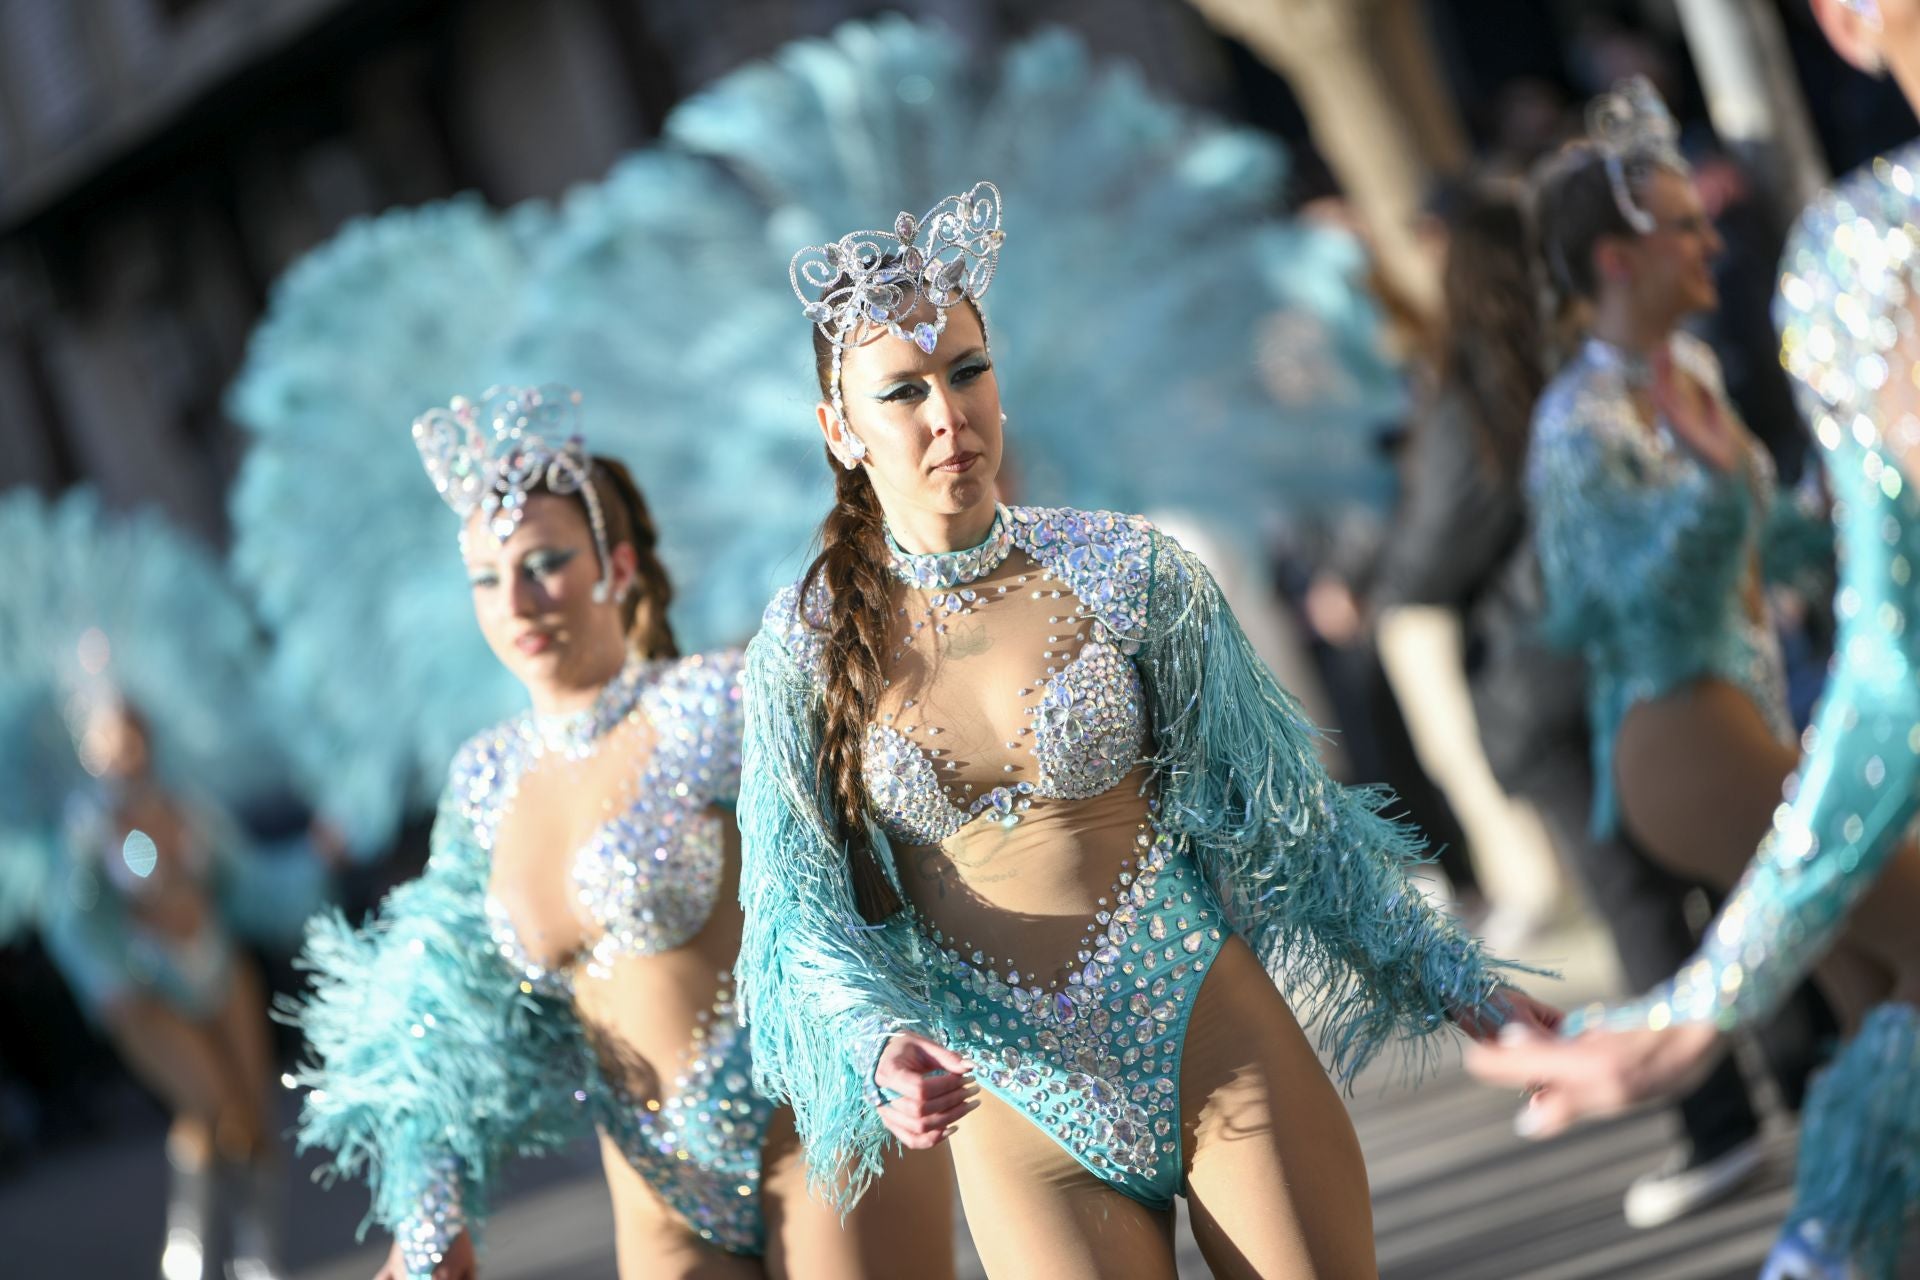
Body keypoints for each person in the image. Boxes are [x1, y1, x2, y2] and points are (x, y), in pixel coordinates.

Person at [734, 182, 1555, 1278]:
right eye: (903, 391)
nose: (948, 415)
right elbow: (791, 910)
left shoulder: (1131, 571)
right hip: (1020, 1109)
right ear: (841, 429)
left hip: (1213, 1042)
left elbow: (1287, 821)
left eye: (968, 371)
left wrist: (1452, 976)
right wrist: (879, 1040)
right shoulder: (804, 647)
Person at [288, 386, 953, 1280]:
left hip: (817, 1127)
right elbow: (436, 1015)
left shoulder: (711, 704)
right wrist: (432, 1214)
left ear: (620, 568)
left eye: (544, 563)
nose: (516, 601)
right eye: (487, 577)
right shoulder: (485, 781)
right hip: (655, 1192)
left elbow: (846, 868)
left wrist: (884, 1035)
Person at [1465, 57, 1920, 1278]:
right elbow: (1608, 602)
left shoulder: (1701, 379)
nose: (1710, 244)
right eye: (1682, 229)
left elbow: (1770, 546)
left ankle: (1836, 1239)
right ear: (1619, 262)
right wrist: (1716, 498)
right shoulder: (1581, 423)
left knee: (1884, 990)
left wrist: (1849, 517)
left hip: (1755, 712)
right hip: (1675, 732)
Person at [1372, 181, 1829, 1227]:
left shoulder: (1520, 386)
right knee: (1738, 876)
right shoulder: (1586, 386)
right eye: (1678, 224)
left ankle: (1730, 1119)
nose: (1705, 241)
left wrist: (1390, 579)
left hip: (1584, 690)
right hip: (1661, 682)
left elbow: (1445, 554)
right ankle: (1799, 1077)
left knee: (1653, 898)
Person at [0, 488, 332, 1280]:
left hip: (218, 971)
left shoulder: (190, 812)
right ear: (89, 745)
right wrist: (114, 982)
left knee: (248, 1117)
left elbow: (255, 889)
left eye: (135, 727)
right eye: (111, 734)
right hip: (145, 990)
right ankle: (187, 1259)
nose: (128, 745)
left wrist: (321, 850)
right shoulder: (84, 835)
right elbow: (80, 927)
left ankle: (255, 1259)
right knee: (209, 1107)